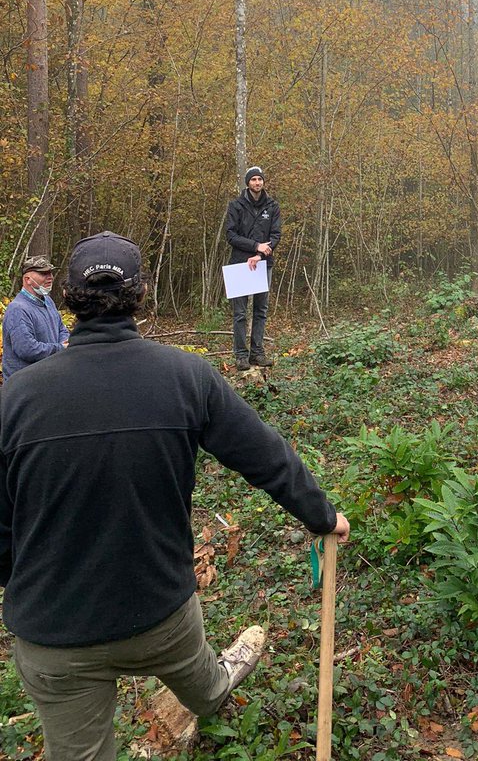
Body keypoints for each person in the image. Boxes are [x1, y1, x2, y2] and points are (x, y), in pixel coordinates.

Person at [0, 231, 350, 761]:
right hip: (160, 615)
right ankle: (213, 689)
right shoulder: (187, 377)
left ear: (66, 297)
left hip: (55, 635)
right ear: (143, 294)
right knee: (205, 685)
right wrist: (323, 516)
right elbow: (266, 457)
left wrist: (21, 583)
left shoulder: (15, 399)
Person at [226, 166, 281, 370]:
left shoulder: (272, 206)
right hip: (240, 264)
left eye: (260, 179)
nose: (257, 182)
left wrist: (260, 254)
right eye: (253, 179)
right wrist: (255, 246)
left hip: (263, 264)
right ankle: (241, 355)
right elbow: (231, 235)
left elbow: (275, 236)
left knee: (261, 310)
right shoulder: (236, 206)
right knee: (240, 313)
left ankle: (257, 353)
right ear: (248, 183)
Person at [1, 254, 69, 382]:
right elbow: (26, 349)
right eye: (44, 274)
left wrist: (65, 342)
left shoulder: (48, 301)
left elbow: (62, 329)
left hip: (45, 382)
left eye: (51, 273)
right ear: (27, 279)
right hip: (22, 387)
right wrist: (61, 348)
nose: (50, 277)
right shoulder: (18, 309)